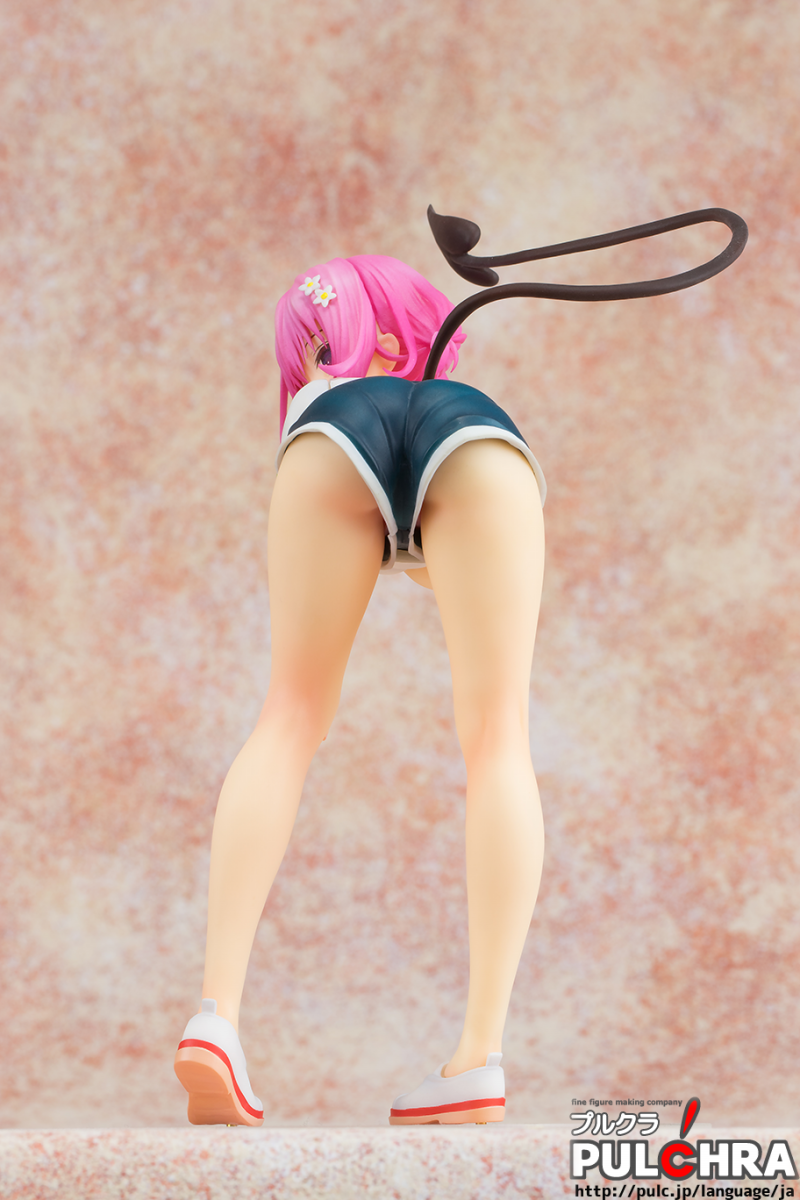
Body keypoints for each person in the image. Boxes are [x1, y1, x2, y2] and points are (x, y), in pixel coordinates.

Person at [174, 254, 547, 1126]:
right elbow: (433, 569)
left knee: (289, 715)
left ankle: (215, 1017)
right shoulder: (453, 394)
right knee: (499, 736)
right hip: (476, 441)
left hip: (331, 444)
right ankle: (478, 1058)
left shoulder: (320, 402)